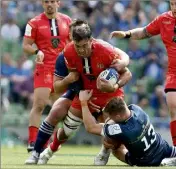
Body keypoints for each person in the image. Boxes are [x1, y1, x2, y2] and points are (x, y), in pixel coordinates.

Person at [25, 19, 131, 165]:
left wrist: (114, 85)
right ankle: (43, 151)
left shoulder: (105, 49)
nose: (81, 50)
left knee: (112, 134)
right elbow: (57, 88)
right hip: (82, 92)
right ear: (71, 38)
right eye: (77, 45)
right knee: (60, 119)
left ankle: (105, 152)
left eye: (84, 45)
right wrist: (71, 83)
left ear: (90, 39)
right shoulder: (67, 53)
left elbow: (127, 70)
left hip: (109, 96)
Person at [110, 0, 176, 147]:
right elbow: (144, 32)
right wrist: (127, 34)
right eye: (172, 4)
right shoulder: (164, 19)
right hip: (173, 72)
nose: (174, 7)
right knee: (173, 107)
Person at [22, 0, 72, 152]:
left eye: (52, 1)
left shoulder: (67, 21)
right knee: (39, 104)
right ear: (42, 4)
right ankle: (32, 141)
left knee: (59, 109)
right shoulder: (33, 22)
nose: (49, 4)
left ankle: (47, 142)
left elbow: (71, 43)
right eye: (46, 2)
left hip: (62, 70)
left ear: (58, 3)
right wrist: (37, 52)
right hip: (44, 68)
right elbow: (25, 46)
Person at [79, 90, 176, 166]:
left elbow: (91, 127)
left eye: (111, 116)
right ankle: (167, 159)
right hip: (162, 147)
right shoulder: (136, 108)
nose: (109, 118)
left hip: (146, 161)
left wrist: (83, 102)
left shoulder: (124, 130)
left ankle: (104, 152)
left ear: (117, 116)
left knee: (114, 145)